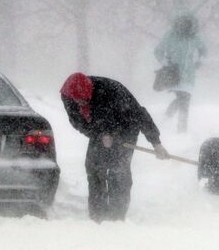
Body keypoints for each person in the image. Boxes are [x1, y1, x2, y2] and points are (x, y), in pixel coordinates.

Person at [60, 73, 170, 222]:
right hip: (98, 131)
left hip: (125, 127)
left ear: (90, 93)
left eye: (85, 100)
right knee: (94, 168)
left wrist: (156, 143)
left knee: (118, 171)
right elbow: (78, 123)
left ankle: (116, 217)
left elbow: (140, 114)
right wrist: (101, 135)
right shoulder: (68, 96)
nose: (80, 103)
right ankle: (97, 215)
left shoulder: (112, 91)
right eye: (77, 100)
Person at [154, 13, 207, 133]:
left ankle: (169, 119)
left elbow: (203, 50)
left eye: (186, 23)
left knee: (185, 99)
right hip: (174, 73)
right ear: (177, 23)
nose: (184, 26)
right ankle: (180, 129)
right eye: (181, 23)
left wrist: (199, 61)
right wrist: (166, 63)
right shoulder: (170, 36)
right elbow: (158, 51)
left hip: (189, 74)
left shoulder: (194, 38)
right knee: (183, 99)